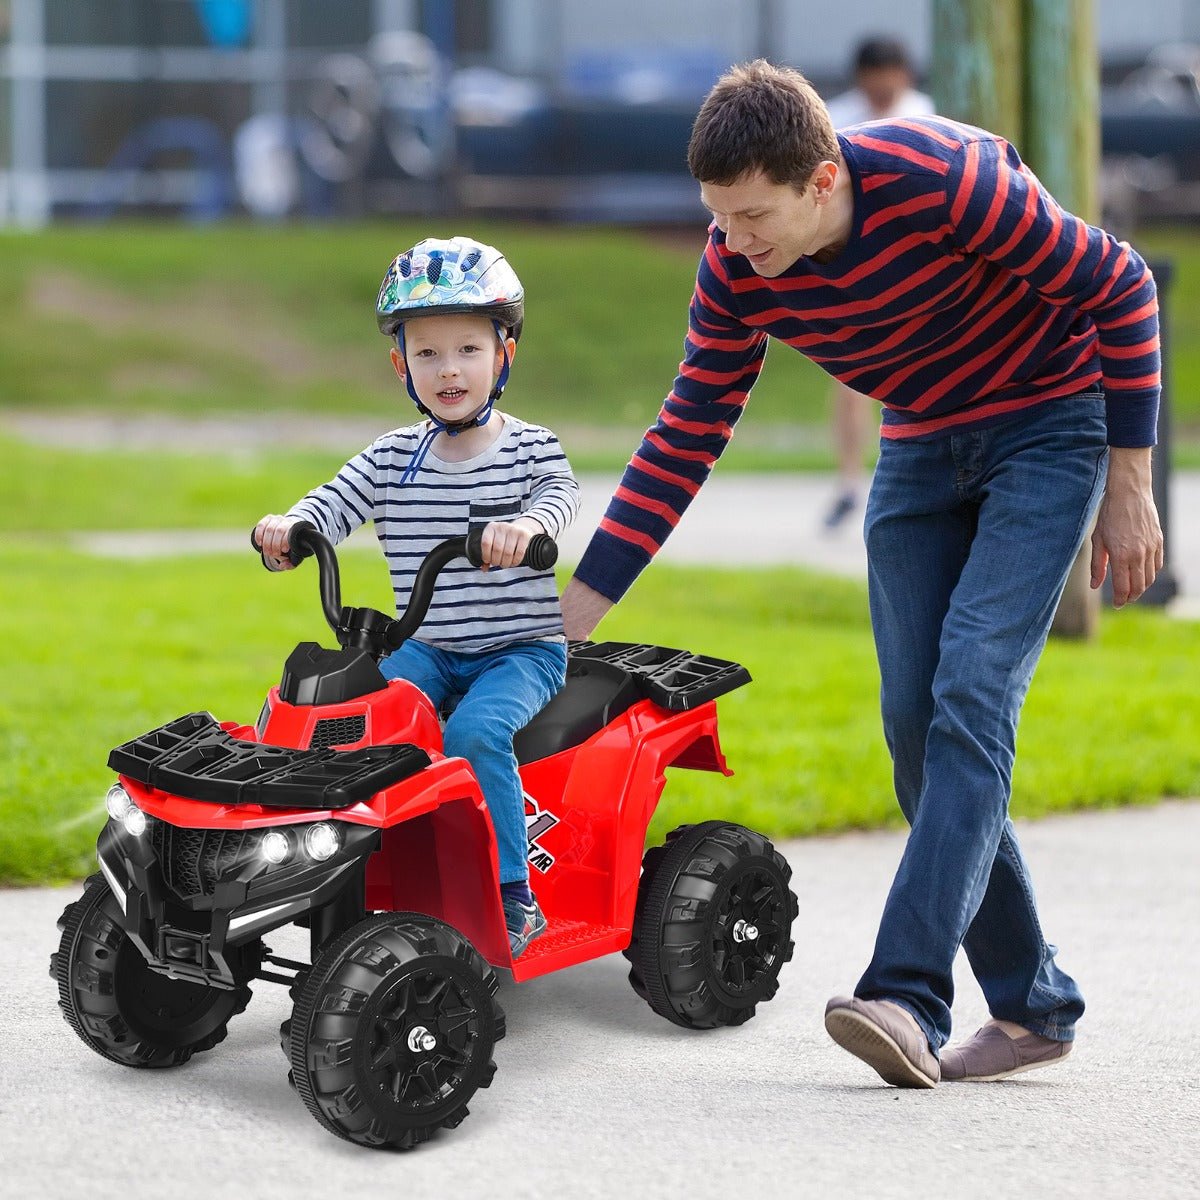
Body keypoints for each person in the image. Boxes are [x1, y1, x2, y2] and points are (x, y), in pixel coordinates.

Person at [560, 61, 1163, 1086]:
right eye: (720, 218)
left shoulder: (945, 183)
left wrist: (1131, 478)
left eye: (753, 216)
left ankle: (907, 994)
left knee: (973, 688)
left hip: (1048, 426)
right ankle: (1033, 1006)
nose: (735, 243)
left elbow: (1120, 280)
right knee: (913, 731)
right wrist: (575, 609)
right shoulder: (735, 267)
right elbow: (685, 435)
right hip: (923, 444)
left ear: (824, 181)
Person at [255, 236, 580, 958]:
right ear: (401, 365)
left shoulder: (531, 447)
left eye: (468, 348)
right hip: (428, 646)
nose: (449, 369)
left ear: (505, 356)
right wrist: (291, 529)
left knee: (472, 736)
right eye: (427, 353)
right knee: (357, 722)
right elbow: (334, 503)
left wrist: (526, 528)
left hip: (518, 650)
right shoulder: (391, 457)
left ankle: (509, 892)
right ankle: (351, 871)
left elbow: (560, 495)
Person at [823, 37, 935, 529]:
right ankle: (851, 480)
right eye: (877, 76)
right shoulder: (834, 118)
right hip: (851, 268)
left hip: (911, 261)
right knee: (852, 381)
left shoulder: (923, 114)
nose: (885, 86)